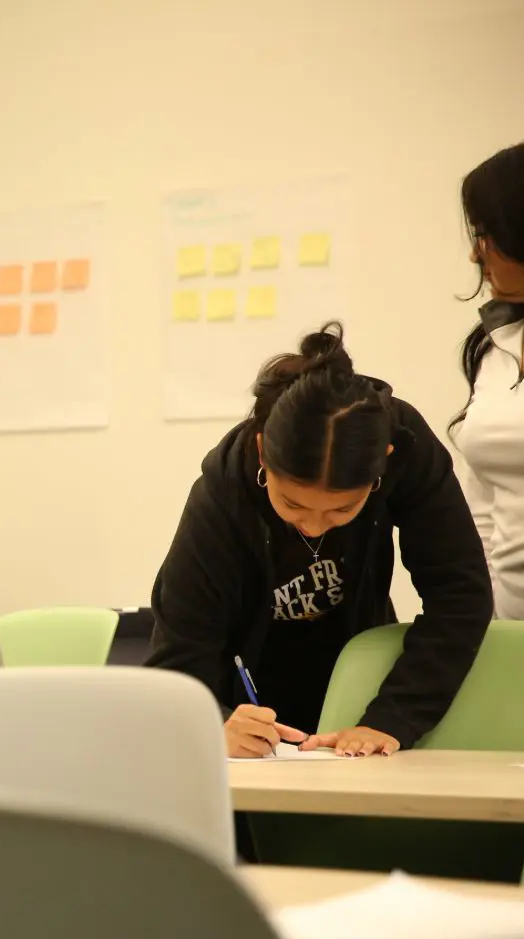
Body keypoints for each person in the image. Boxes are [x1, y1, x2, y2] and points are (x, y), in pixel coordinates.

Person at [146, 323, 492, 759]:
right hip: (252, 690)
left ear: (381, 468)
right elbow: (178, 651)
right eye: (291, 504)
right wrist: (212, 722)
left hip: (356, 671)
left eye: (341, 511)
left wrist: (391, 719)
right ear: (262, 456)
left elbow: (460, 595)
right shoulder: (224, 491)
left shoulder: (405, 446)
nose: (312, 527)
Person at [451, 141, 524, 620]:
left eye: (487, 234)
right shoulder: (494, 345)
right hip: (501, 633)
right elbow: (481, 508)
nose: (478, 255)